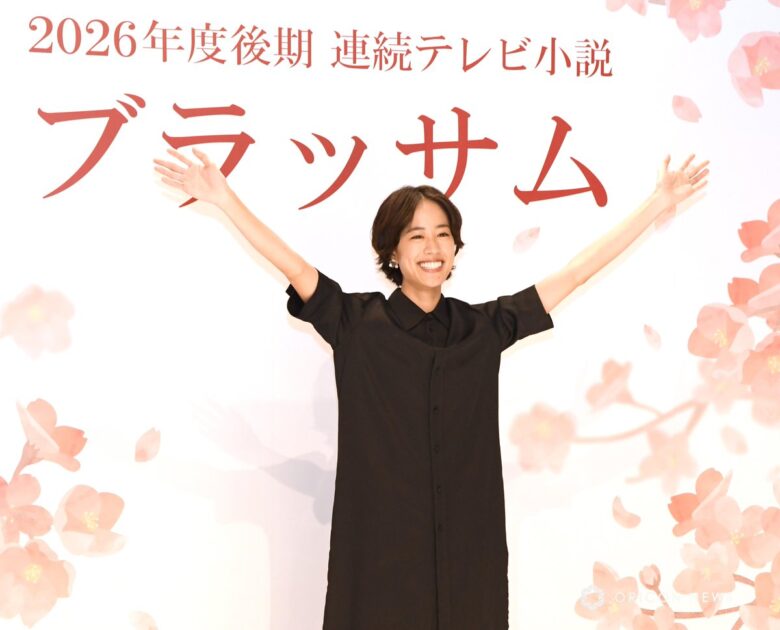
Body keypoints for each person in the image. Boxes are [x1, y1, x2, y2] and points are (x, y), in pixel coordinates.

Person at [153, 148, 709, 630]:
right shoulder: (355, 323)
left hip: (468, 554)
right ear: (392, 252)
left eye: (443, 234)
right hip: (380, 558)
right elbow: (293, 267)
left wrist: (657, 203)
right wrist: (225, 200)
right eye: (416, 235)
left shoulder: (483, 328)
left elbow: (573, 274)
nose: (432, 246)